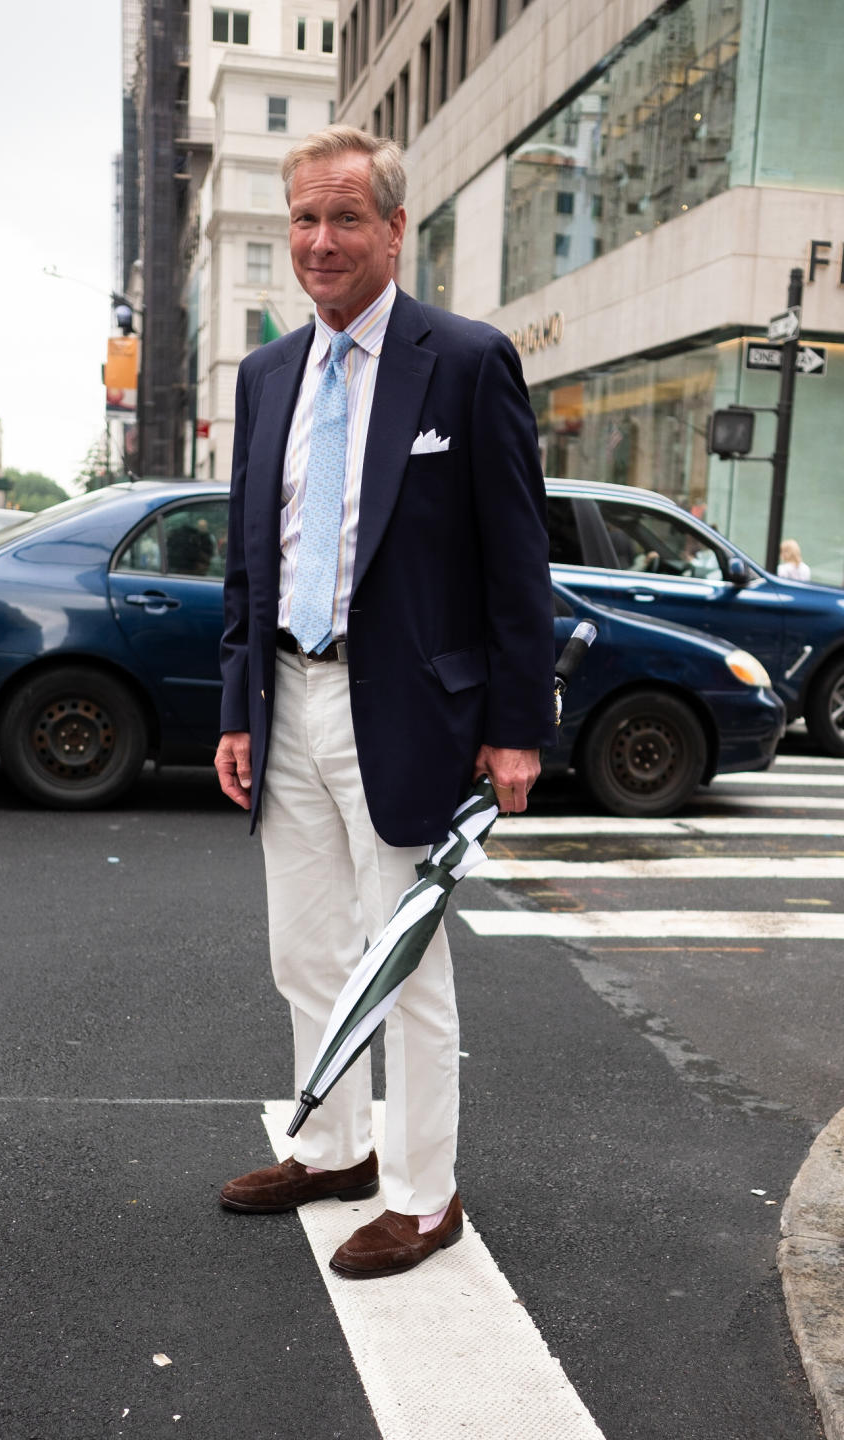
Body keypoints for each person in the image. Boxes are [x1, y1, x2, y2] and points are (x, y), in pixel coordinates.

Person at [214, 125, 556, 1279]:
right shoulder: (268, 375)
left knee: (402, 960)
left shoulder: (462, 360)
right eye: (304, 218)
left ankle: (423, 1196)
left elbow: (517, 561)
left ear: (396, 230)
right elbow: (249, 564)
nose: (320, 240)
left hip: (404, 709)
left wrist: (517, 725)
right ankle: (336, 1150)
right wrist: (233, 708)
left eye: (346, 217)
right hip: (288, 699)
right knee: (306, 952)